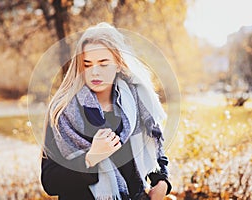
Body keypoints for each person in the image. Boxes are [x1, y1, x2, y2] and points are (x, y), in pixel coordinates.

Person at [41, 22, 172, 200]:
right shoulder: (62, 112)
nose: (95, 72)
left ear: (118, 64)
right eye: (87, 64)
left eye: (103, 64)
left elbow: (156, 148)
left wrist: (162, 182)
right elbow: (50, 182)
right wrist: (91, 158)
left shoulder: (138, 102)